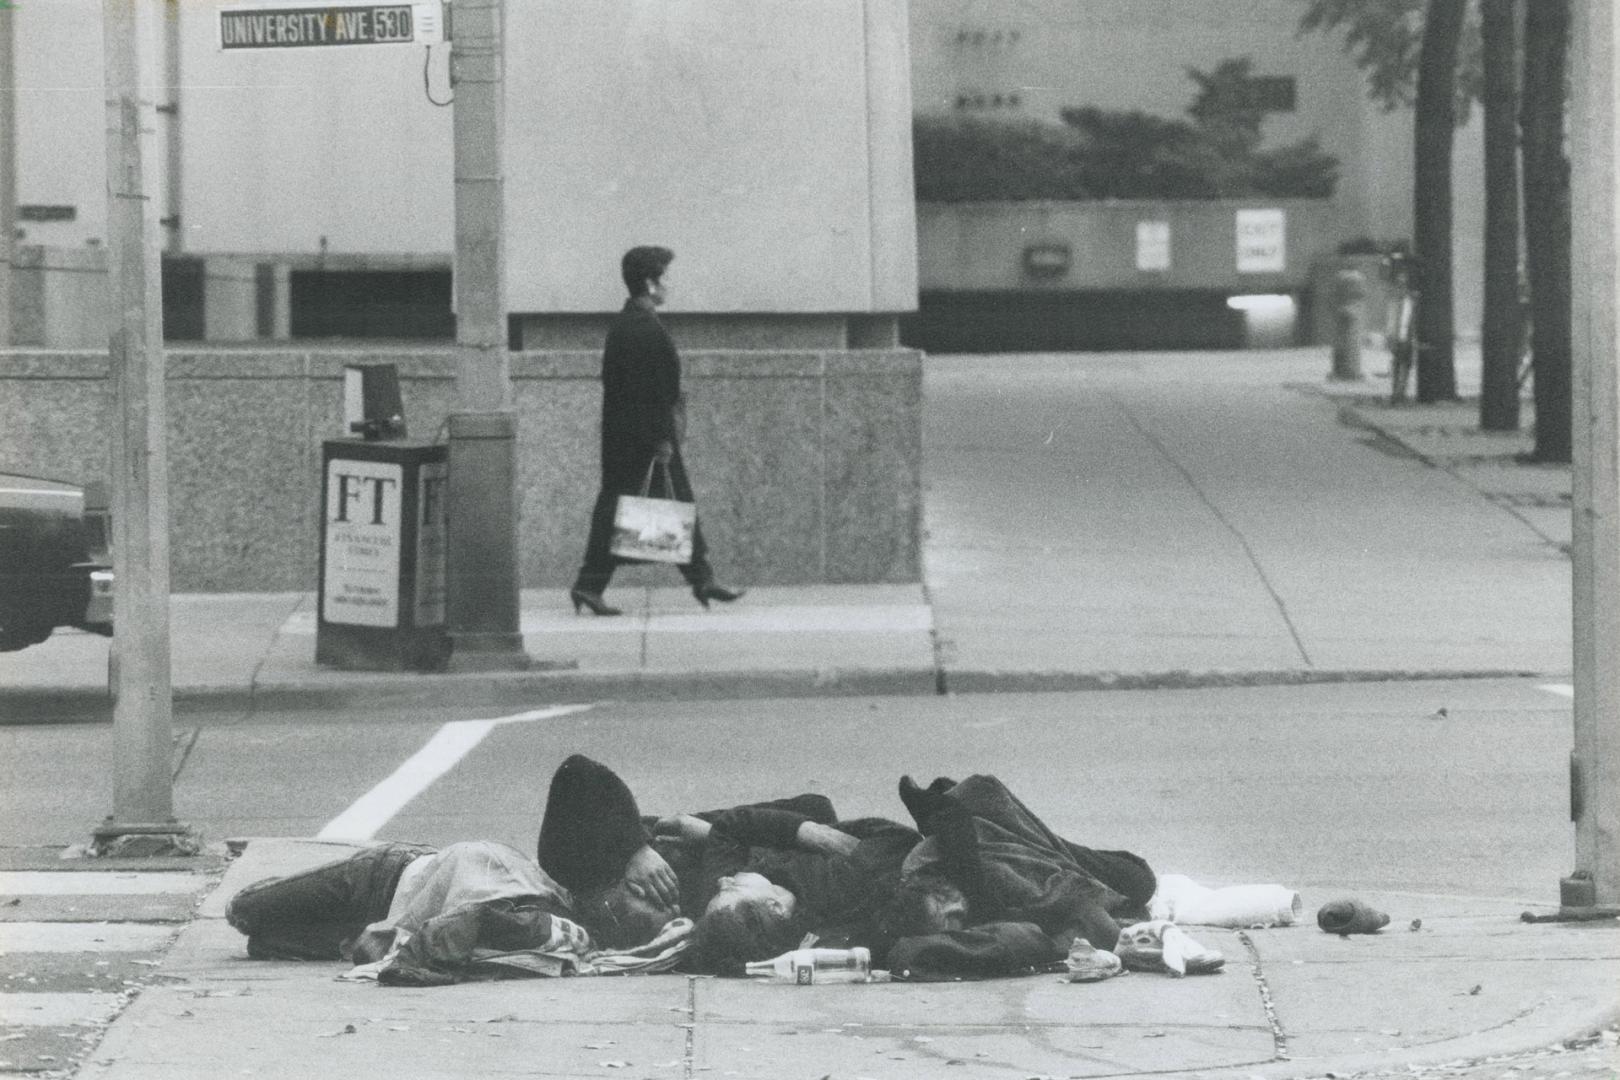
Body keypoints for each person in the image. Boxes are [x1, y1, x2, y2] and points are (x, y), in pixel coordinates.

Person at [535, 754, 921, 974]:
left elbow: (579, 772)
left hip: (682, 838)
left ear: (614, 887)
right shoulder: (705, 928)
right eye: (657, 913)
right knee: (816, 814)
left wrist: (636, 849)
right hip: (746, 857)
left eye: (642, 891)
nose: (664, 902)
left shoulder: (583, 866)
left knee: (813, 812)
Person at [569, 245, 744, 616]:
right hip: (643, 438)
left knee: (634, 506)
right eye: (666, 276)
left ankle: (696, 578)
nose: (671, 284)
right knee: (645, 505)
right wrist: (661, 438)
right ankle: (698, 579)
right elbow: (651, 391)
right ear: (650, 282)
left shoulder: (628, 322)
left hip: (628, 436)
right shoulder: (644, 327)